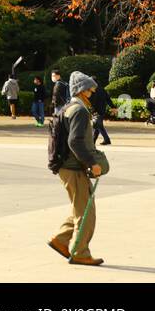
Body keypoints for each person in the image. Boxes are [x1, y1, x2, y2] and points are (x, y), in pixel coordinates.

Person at [47, 72, 108, 266]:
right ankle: (80, 252)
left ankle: (61, 239)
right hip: (73, 168)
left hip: (67, 166)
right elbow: (75, 141)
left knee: (81, 208)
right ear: (82, 90)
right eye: (90, 89)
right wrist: (93, 163)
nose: (92, 93)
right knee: (86, 213)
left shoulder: (69, 107)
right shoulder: (80, 111)